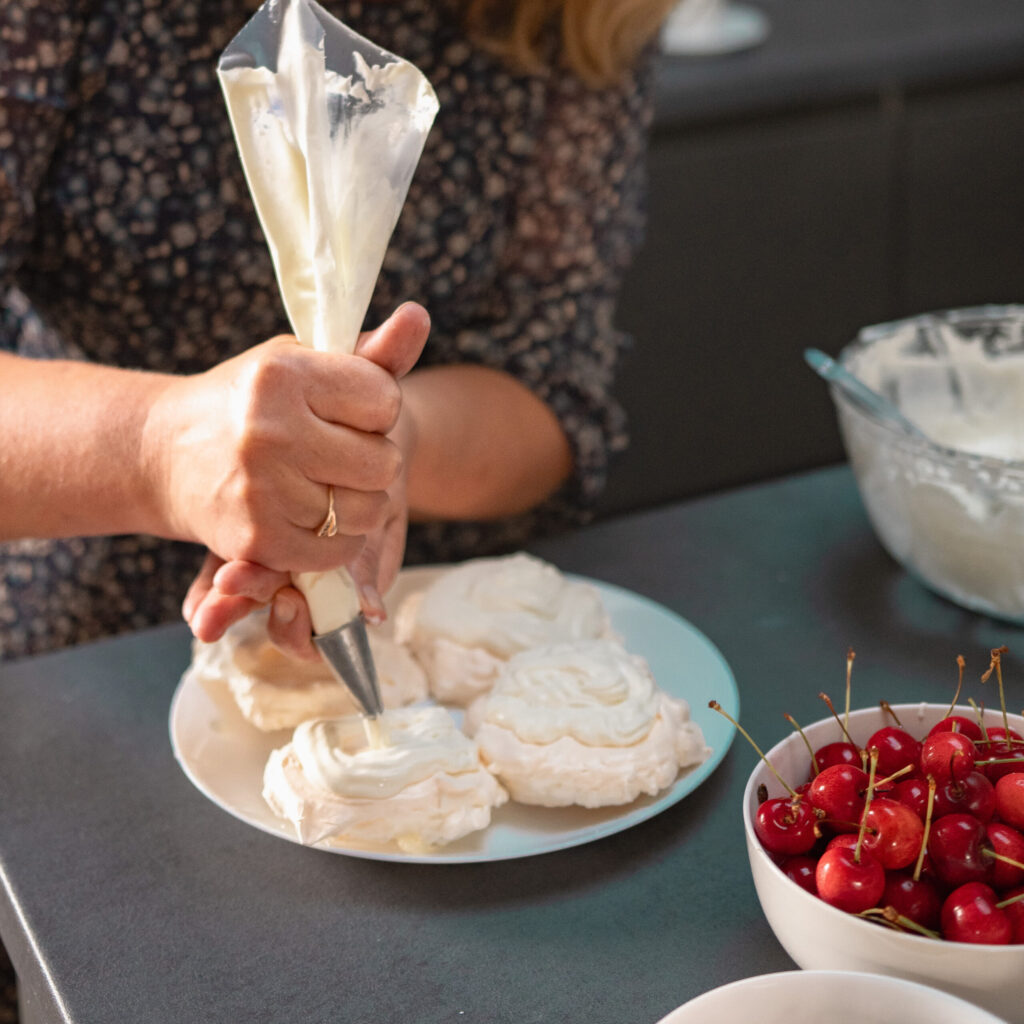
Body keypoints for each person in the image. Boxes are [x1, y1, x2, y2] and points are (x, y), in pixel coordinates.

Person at [0, 0, 677, 663]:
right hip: (98, 637)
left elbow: (555, 388)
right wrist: (162, 450)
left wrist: (376, 449)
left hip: (459, 627)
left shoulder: (576, 14)